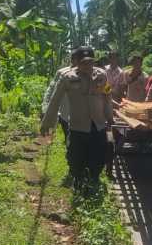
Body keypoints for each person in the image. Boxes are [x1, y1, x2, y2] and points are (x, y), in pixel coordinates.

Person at [41, 46, 113, 190]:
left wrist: (110, 117)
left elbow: (108, 95)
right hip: (78, 126)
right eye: (84, 62)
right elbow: (55, 100)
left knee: (98, 153)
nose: (87, 65)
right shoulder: (67, 78)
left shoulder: (102, 75)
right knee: (76, 156)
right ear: (77, 63)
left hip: (98, 124)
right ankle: (78, 179)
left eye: (90, 62)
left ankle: (94, 178)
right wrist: (47, 123)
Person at [41, 49, 78, 142]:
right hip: (65, 113)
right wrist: (45, 108)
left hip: (83, 116)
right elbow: (51, 91)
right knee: (69, 139)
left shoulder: (90, 73)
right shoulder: (62, 73)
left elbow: (105, 89)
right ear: (72, 60)